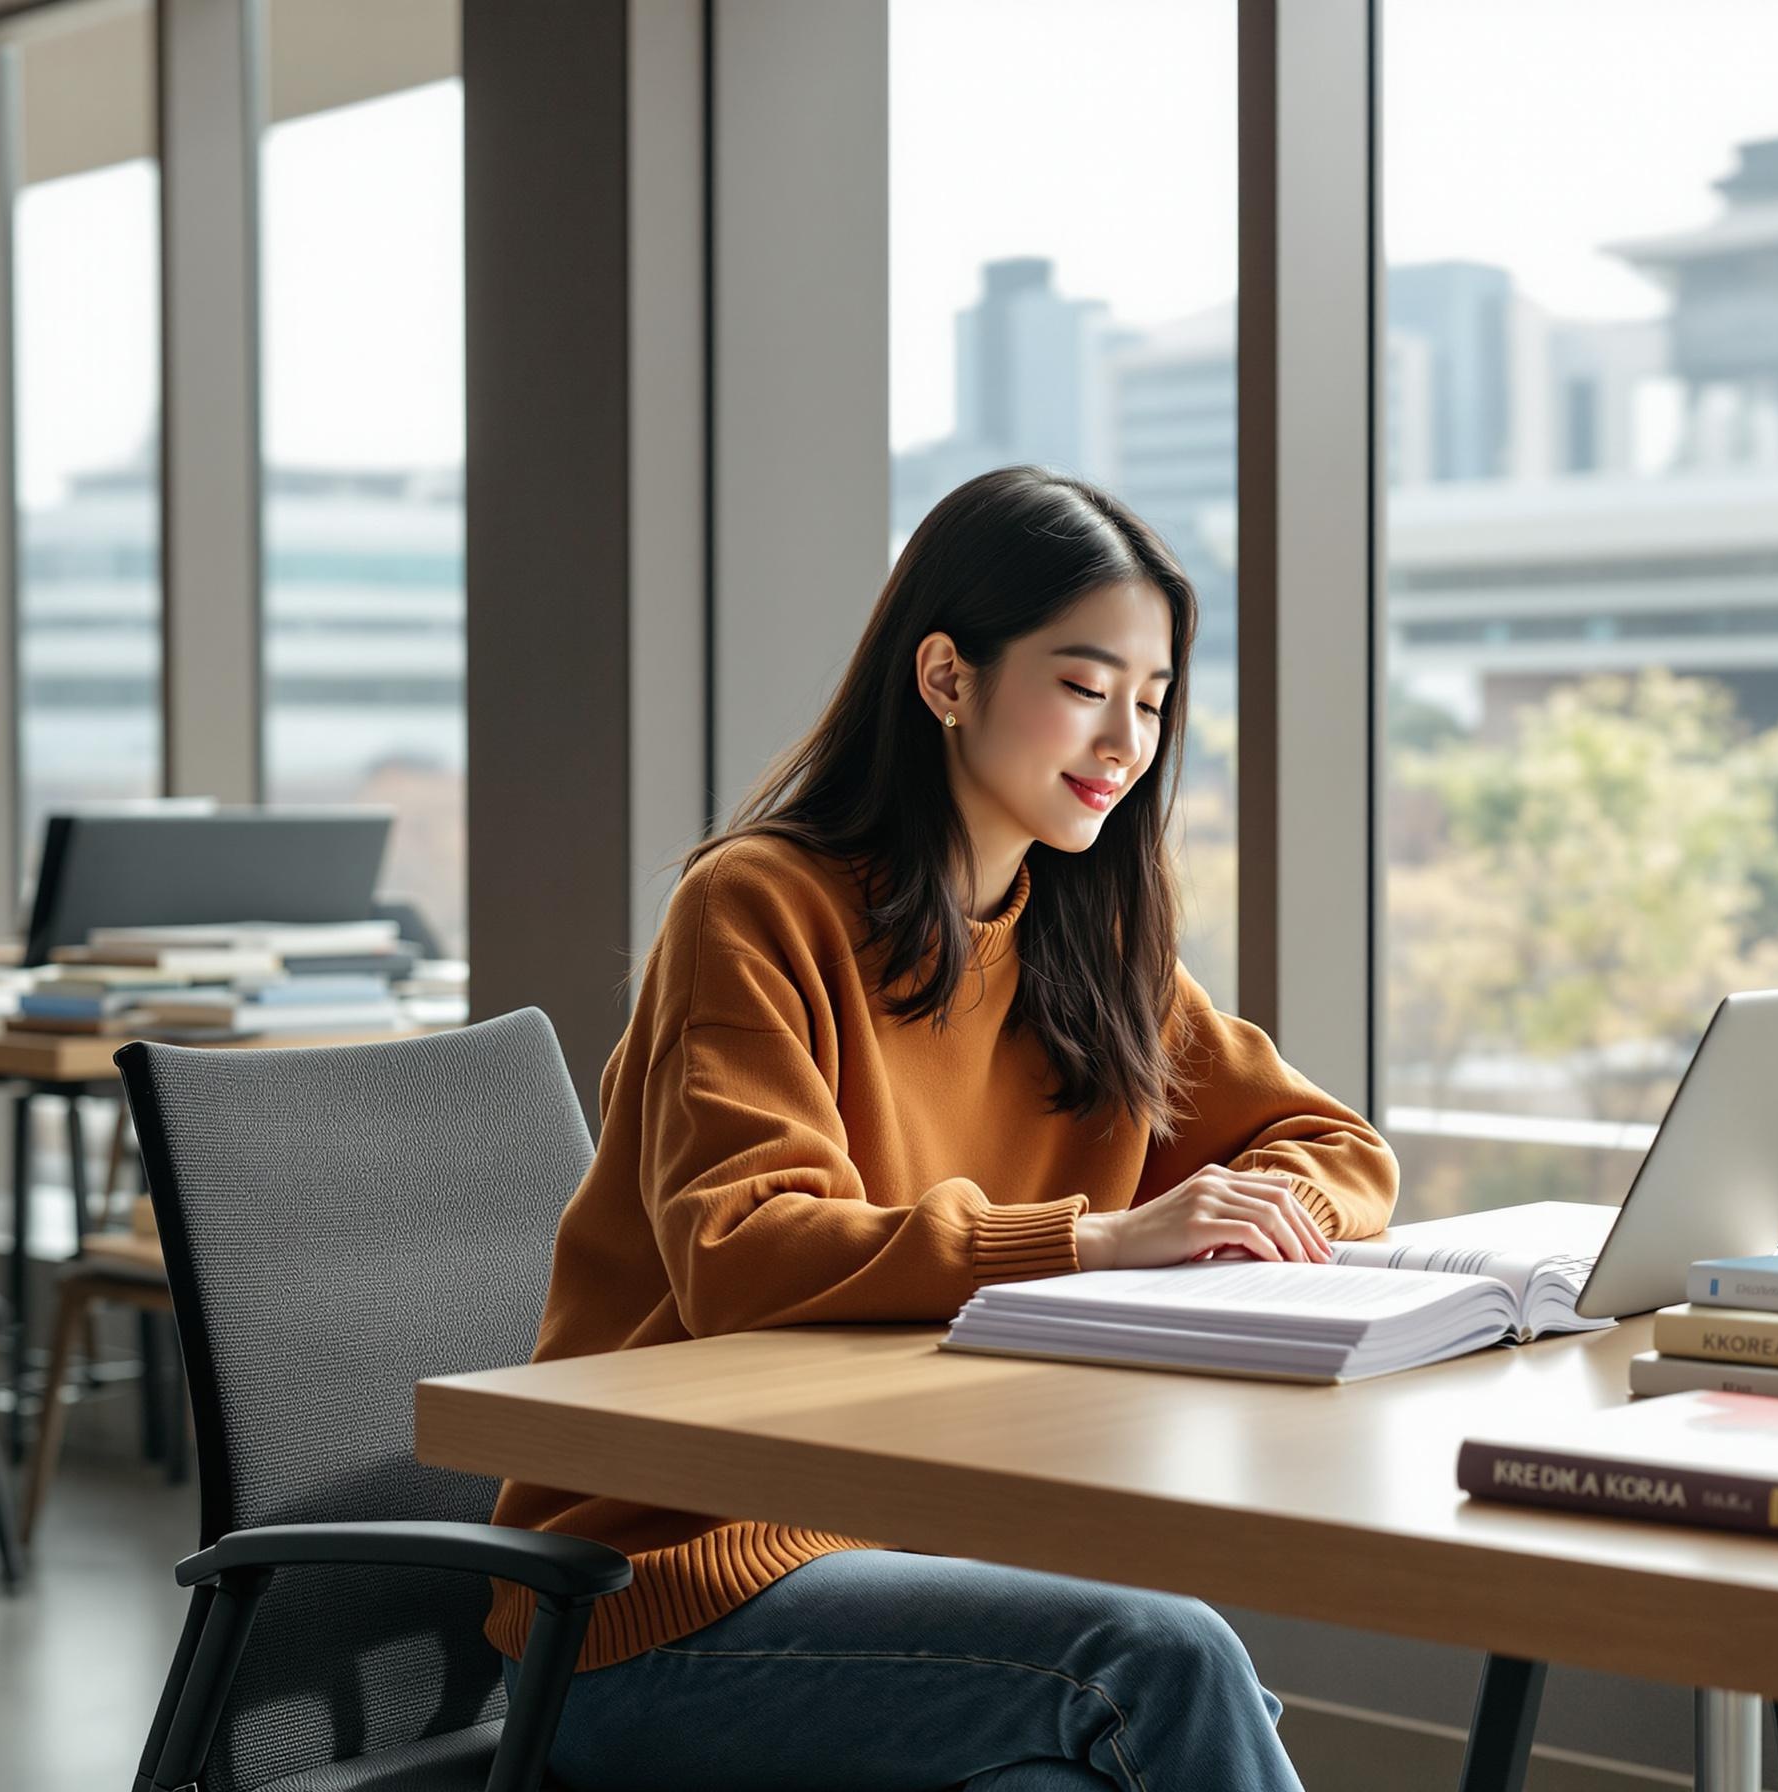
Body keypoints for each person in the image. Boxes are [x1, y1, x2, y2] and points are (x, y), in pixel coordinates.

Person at [487, 465, 1400, 1790]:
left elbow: (1340, 1147)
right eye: (1086, 689)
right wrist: (1096, 1239)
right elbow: (743, 1251)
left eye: (1152, 705)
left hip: (896, 1548)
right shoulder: (757, 904)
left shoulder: (1092, 943)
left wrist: (1266, 1213)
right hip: (649, 1590)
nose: (1125, 745)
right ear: (947, 677)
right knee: (1158, 1665)